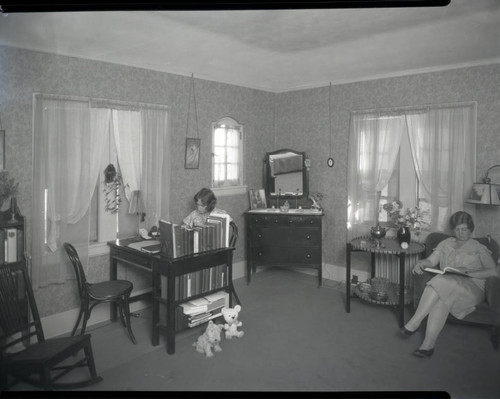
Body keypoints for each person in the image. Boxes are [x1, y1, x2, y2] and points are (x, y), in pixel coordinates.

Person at [400, 211, 497, 358]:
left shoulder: (478, 247)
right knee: (442, 298)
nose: (461, 233)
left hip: (473, 288)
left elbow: (493, 271)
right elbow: (431, 261)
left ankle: (414, 323)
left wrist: (470, 273)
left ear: (471, 229)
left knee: (439, 282)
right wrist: (421, 263)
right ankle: (428, 345)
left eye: (464, 229)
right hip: (449, 284)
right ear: (453, 230)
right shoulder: (445, 244)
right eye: (457, 229)